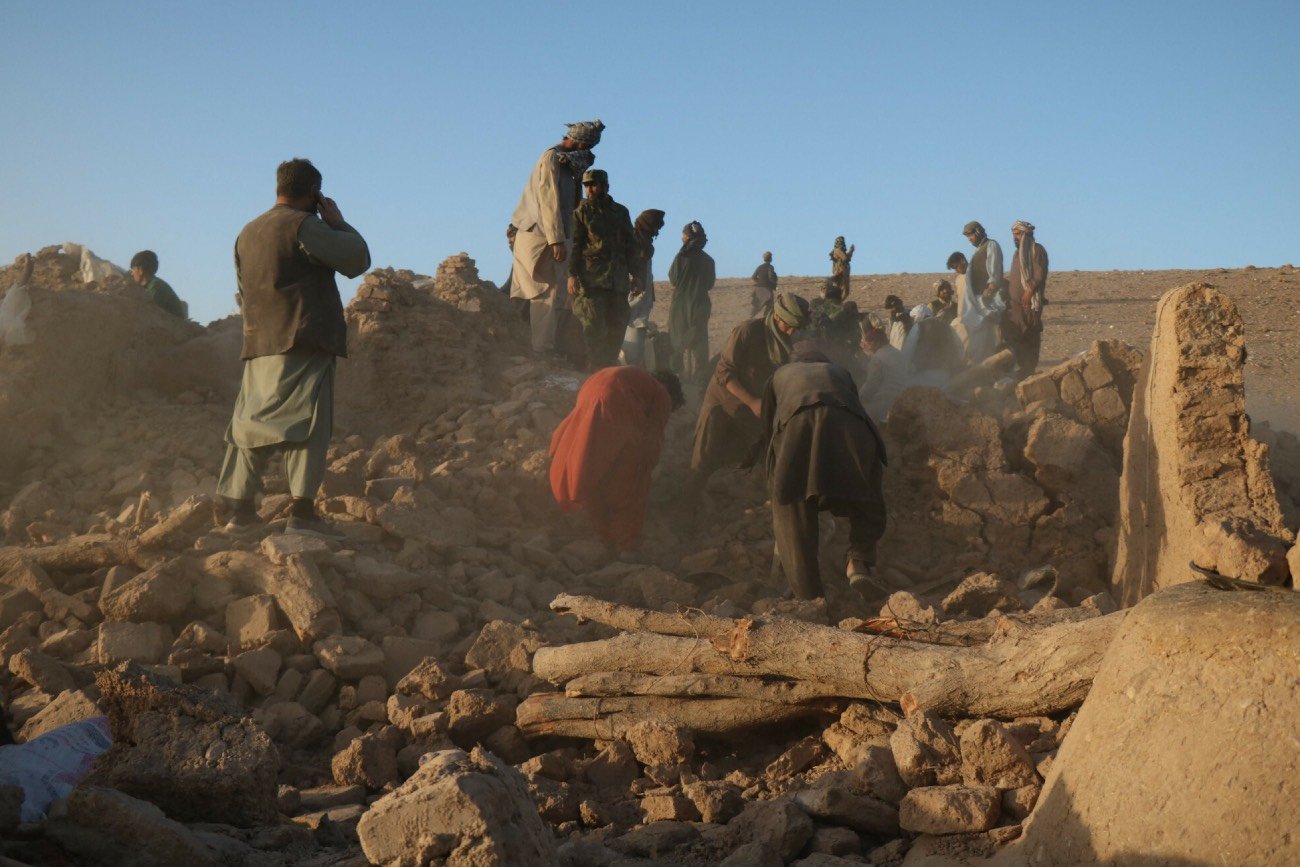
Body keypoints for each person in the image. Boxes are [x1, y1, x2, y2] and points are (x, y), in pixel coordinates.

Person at [216, 158, 370, 538]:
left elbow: (242, 288)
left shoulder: (246, 232)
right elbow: (356, 260)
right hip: (303, 339)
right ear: (314, 194)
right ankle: (302, 512)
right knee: (308, 423)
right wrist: (337, 222)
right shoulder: (304, 226)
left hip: (258, 342)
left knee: (250, 423)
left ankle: (238, 509)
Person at [760, 351, 887, 601]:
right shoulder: (840, 372)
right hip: (852, 428)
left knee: (790, 509)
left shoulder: (778, 375)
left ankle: (809, 596)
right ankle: (858, 562)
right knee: (867, 496)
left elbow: (769, 429)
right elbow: (854, 406)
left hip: (797, 428)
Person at [683, 292, 809, 502]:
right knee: (704, 457)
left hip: (756, 409)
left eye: (796, 327)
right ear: (777, 317)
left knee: (758, 454)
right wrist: (752, 402)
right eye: (788, 325)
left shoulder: (788, 343)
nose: (792, 331)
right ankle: (687, 506)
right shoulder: (748, 331)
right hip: (723, 403)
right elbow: (724, 372)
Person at [549, 366, 684, 552]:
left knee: (592, 466)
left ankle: (600, 533)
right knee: (633, 479)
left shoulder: (636, 378)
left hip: (591, 387)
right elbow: (652, 441)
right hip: (616, 400)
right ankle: (626, 545)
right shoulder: (662, 394)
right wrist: (647, 468)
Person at [510, 119, 604, 358]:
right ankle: (541, 350)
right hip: (540, 235)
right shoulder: (552, 158)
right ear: (578, 142)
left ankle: (541, 346)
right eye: (586, 146)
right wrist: (556, 240)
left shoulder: (566, 162)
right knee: (545, 292)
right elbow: (549, 200)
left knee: (554, 294)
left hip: (553, 234)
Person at [569, 169, 637, 370]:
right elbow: (574, 245)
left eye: (594, 184)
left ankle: (609, 373)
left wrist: (638, 274)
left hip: (617, 283)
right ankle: (596, 377)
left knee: (616, 332)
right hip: (592, 283)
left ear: (606, 186)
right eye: (587, 186)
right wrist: (571, 275)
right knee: (594, 333)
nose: (590, 190)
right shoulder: (581, 213)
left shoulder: (621, 212)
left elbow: (631, 246)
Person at [667, 221, 716, 382]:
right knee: (700, 340)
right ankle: (700, 378)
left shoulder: (682, 257)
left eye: (683, 234)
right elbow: (710, 284)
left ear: (687, 237)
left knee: (677, 339)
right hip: (701, 303)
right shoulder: (709, 260)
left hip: (681, 303)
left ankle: (678, 376)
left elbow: (673, 278)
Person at [1003, 220, 1049, 379]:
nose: (1014, 237)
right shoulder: (1017, 254)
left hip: (1028, 304)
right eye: (1013, 234)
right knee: (1016, 336)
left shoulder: (1037, 250)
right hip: (1015, 306)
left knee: (1030, 334)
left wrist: (1029, 291)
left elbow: (1039, 274)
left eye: (1017, 234)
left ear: (1026, 234)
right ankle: (1019, 373)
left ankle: (1029, 372)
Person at [622, 208, 666, 366]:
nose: (656, 232)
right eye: (655, 228)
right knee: (630, 354)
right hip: (633, 303)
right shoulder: (634, 242)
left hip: (641, 305)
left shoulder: (644, 243)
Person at [949, 250, 1004, 364]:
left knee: (982, 348)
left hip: (979, 316)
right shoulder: (959, 279)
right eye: (954, 269)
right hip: (964, 318)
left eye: (956, 267)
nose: (956, 270)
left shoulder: (977, 273)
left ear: (963, 261)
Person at [901, 304, 965, 388]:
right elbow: (960, 349)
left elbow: (908, 352)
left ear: (919, 315)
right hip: (945, 375)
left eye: (913, 317)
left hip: (921, 376)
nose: (913, 320)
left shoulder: (918, 327)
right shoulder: (947, 326)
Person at [807, 278, 862, 369]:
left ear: (827, 295)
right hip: (841, 353)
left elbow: (809, 332)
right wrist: (853, 350)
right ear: (840, 297)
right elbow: (856, 335)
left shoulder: (816, 310)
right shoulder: (846, 310)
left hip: (818, 352)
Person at [857, 325, 907, 422]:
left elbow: (872, 385)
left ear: (877, 342)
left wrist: (860, 398)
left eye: (869, 343)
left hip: (885, 402)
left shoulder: (877, 359)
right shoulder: (897, 353)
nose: (868, 347)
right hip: (902, 398)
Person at [129, 250, 187, 319]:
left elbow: (147, 314)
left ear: (140, 270)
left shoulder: (156, 287)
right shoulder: (153, 285)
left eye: (133, 269)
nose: (131, 274)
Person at [962, 221, 1004, 309]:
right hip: (979, 298)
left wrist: (991, 288)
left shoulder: (991, 245)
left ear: (978, 232)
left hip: (989, 297)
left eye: (970, 235)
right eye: (967, 236)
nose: (969, 239)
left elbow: (995, 268)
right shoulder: (978, 250)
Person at [751, 251, 778, 318]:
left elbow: (753, 277)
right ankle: (765, 320)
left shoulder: (759, 267)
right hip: (767, 290)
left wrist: (759, 282)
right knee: (770, 306)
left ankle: (750, 318)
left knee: (757, 307)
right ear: (771, 259)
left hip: (758, 290)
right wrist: (774, 284)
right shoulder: (770, 267)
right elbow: (771, 277)